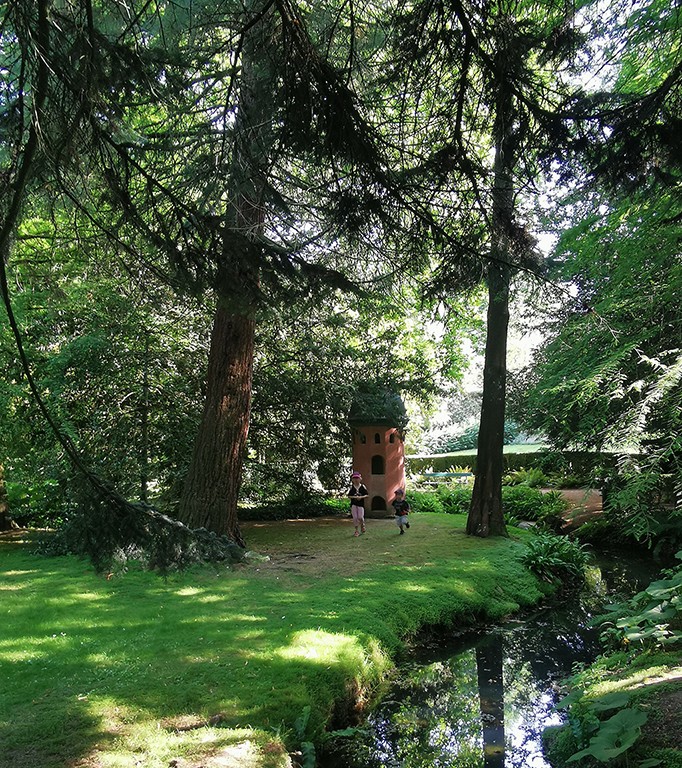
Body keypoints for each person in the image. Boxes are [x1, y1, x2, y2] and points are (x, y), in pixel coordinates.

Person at [347, 471, 368, 536]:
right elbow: (349, 496)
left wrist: (361, 497)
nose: (356, 480)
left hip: (361, 505)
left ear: (360, 479)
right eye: (354, 478)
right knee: (355, 518)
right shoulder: (352, 487)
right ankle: (356, 531)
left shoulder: (363, 487)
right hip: (354, 504)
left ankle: (362, 525)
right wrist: (354, 497)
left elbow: (367, 495)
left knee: (360, 517)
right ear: (352, 479)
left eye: (357, 478)